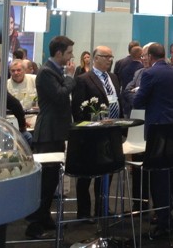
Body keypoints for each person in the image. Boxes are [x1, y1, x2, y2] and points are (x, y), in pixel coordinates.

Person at [132, 43, 173, 239]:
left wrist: (136, 94)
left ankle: (164, 222)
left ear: (150, 56)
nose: (143, 59)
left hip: (158, 130)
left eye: (144, 55)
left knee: (159, 176)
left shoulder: (149, 74)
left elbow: (138, 101)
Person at [26, 36, 76, 240]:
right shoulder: (47, 72)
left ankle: (44, 216)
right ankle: (35, 224)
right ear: (59, 53)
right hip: (48, 132)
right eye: (69, 52)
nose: (71, 56)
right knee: (45, 181)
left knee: (52, 178)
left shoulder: (54, 70)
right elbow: (60, 95)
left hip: (56, 131)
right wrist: (70, 78)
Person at [71, 45, 121, 220]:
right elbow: (77, 109)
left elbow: (117, 101)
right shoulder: (83, 79)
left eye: (111, 57)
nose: (110, 60)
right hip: (91, 134)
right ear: (96, 58)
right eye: (106, 56)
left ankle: (102, 208)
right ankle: (84, 212)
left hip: (112, 132)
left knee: (107, 172)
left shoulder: (114, 78)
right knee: (86, 175)